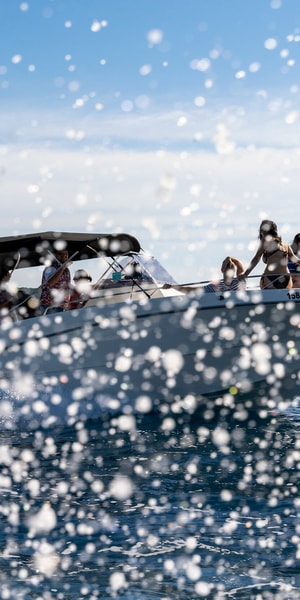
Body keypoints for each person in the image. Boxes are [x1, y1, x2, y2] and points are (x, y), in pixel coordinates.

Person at [240, 220, 300, 290]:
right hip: (286, 279)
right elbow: (295, 260)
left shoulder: (265, 241)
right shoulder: (285, 244)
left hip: (271, 278)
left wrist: (245, 274)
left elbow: (256, 259)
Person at [163, 256, 245, 294]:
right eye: (227, 270)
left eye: (231, 269)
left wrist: (230, 258)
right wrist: (173, 287)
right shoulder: (215, 286)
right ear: (222, 271)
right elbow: (191, 291)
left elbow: (239, 265)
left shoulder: (239, 282)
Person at [40, 245, 72, 314]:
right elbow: (50, 283)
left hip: (62, 306)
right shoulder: (51, 268)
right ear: (55, 255)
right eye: (60, 254)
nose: (64, 256)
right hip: (49, 307)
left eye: (66, 254)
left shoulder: (67, 270)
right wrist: (62, 269)